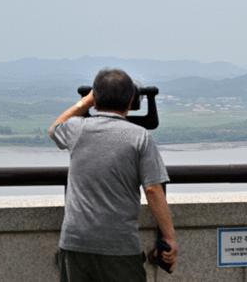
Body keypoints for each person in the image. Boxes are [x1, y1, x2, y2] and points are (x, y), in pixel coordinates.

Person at [48, 68, 177, 282]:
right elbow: (153, 189)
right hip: (120, 246)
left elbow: (54, 129)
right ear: (130, 101)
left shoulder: (78, 129)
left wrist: (85, 103)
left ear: (95, 98)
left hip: (75, 242)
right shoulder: (140, 137)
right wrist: (169, 237)